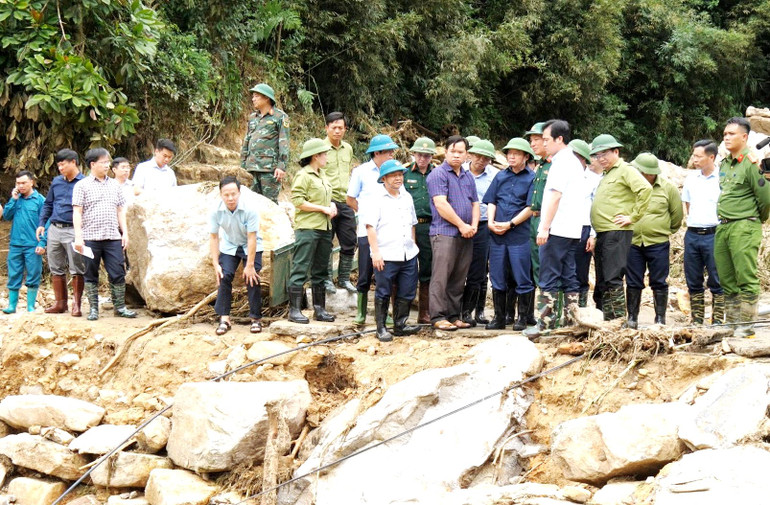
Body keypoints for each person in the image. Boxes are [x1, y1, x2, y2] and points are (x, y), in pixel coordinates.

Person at [714, 117, 770, 337]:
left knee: (745, 276)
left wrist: (754, 219)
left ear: (744, 137)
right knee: (726, 278)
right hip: (724, 226)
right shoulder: (725, 164)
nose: (726, 138)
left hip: (744, 225)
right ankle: (732, 323)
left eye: (732, 134)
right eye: (725, 134)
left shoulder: (751, 163)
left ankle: (746, 326)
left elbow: (765, 198)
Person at [589, 134, 652, 321]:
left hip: (616, 231)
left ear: (616, 152)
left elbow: (645, 189)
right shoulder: (607, 174)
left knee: (612, 277)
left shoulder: (625, 169)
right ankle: (606, 319)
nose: (601, 158)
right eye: (598, 155)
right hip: (603, 232)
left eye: (605, 154)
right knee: (602, 279)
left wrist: (632, 217)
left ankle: (617, 320)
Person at [531, 120, 584, 333]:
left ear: (559, 139)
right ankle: (572, 322)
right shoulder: (574, 161)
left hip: (557, 228)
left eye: (546, 139)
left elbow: (555, 196)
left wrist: (544, 227)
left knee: (548, 276)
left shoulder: (561, 162)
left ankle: (545, 324)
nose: (543, 143)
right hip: (571, 229)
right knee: (569, 275)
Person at [72, 148, 136, 320]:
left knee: (118, 271)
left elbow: (121, 210)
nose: (107, 165)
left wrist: (125, 233)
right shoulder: (82, 185)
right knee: (90, 273)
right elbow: (77, 212)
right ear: (92, 164)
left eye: (108, 162)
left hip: (113, 236)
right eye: (103, 162)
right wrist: (78, 237)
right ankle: (93, 309)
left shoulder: (115, 185)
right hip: (90, 237)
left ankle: (120, 307)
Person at [364, 160, 421, 341]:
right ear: (384, 178)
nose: (398, 178)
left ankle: (400, 324)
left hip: (408, 253)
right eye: (394, 175)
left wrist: (413, 246)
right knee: (383, 291)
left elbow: (412, 224)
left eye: (400, 175)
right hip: (386, 254)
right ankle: (380, 327)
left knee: (408, 290)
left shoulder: (407, 197)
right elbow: (370, 227)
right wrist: (375, 253)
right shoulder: (376, 199)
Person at [624, 153, 683, 328]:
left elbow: (677, 216)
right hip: (633, 242)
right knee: (633, 281)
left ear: (648, 173)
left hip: (658, 243)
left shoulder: (668, 188)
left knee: (659, 281)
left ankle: (660, 319)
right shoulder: (629, 187)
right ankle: (632, 318)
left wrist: (661, 230)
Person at [427, 136, 479, 330]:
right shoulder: (438, 174)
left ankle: (453, 315)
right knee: (441, 276)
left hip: (466, 234)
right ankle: (438, 316)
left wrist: (473, 225)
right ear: (445, 152)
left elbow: (475, 203)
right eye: (453, 151)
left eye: (460, 152)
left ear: (467, 154)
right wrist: (462, 225)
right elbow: (441, 204)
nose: (456, 155)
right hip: (444, 232)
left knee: (459, 277)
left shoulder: (468, 176)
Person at [483, 138, 535, 330]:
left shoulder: (532, 178)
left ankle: (522, 317)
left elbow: (531, 207)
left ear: (526, 156)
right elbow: (492, 201)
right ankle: (499, 317)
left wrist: (510, 224)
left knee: (522, 277)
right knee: (497, 276)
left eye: (516, 153)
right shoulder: (500, 176)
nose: (511, 156)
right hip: (497, 235)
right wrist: (490, 222)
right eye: (509, 153)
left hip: (519, 235)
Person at [347, 134, 399, 325]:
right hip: (366, 230)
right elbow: (350, 198)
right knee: (365, 271)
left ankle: (384, 313)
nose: (392, 154)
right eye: (388, 152)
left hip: (388, 231)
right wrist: (366, 214)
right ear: (377, 153)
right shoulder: (361, 172)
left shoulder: (393, 171)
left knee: (386, 273)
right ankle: (361, 312)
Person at [287, 139, 336, 324]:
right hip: (308, 228)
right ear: (316, 156)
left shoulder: (322, 175)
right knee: (300, 267)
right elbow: (298, 201)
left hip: (324, 227)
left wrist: (331, 205)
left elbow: (326, 197)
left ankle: (319, 309)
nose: (326, 157)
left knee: (321, 269)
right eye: (324, 154)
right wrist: (322, 209)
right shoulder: (303, 175)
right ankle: (294, 310)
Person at [209, 176, 264, 335]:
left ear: (239, 193)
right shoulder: (216, 211)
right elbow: (213, 237)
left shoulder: (250, 209)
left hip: (250, 245)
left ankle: (255, 318)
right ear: (221, 195)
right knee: (224, 275)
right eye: (226, 195)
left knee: (251, 277)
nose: (230, 198)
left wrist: (250, 265)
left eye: (233, 194)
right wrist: (215, 264)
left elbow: (252, 237)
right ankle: (224, 319)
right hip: (230, 245)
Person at [37, 148, 86, 316]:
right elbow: (48, 204)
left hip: (73, 229)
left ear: (73, 162)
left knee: (77, 267)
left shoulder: (84, 183)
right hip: (54, 229)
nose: (60, 168)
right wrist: (42, 223)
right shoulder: (57, 182)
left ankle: (77, 304)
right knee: (55, 266)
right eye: (58, 165)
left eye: (63, 164)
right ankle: (60, 303)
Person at [682, 140, 723, 325]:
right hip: (692, 234)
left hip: (714, 234)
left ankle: (718, 321)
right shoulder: (691, 178)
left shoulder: (722, 178)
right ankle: (697, 320)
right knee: (693, 278)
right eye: (694, 155)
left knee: (717, 278)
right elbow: (688, 205)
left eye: (699, 156)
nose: (694, 159)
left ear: (711, 157)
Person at [461, 139, 499, 326]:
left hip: (483, 224)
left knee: (480, 268)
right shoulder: (460, 171)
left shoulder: (494, 175)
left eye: (486, 158)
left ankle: (476, 310)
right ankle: (459, 309)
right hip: (460, 222)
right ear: (470, 155)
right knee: (460, 267)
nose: (481, 160)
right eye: (478, 156)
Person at [322, 112, 357, 293]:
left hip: (345, 200)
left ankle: (344, 278)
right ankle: (327, 279)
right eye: (333, 127)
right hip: (326, 202)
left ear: (345, 129)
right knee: (326, 241)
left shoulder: (348, 148)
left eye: (340, 128)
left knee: (350, 240)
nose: (337, 131)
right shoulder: (320, 148)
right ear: (326, 128)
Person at [404, 137, 437, 324]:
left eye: (426, 155)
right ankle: (401, 312)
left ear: (431, 156)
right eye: (419, 155)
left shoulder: (437, 173)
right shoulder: (404, 173)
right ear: (414, 154)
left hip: (429, 225)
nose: (422, 158)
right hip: (408, 225)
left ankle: (424, 313)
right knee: (405, 267)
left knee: (427, 268)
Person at [3, 171, 46, 313]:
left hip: (33, 244)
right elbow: (7, 216)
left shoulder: (40, 200)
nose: (20, 186)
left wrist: (42, 243)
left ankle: (30, 306)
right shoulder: (16, 199)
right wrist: (13, 199)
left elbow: (46, 224)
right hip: (15, 244)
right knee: (14, 273)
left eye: (23, 183)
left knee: (33, 274)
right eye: (18, 183)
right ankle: (12, 306)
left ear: (31, 182)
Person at [241, 83, 289, 204]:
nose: (253, 99)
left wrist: (281, 166)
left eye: (256, 96)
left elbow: (284, 142)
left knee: (269, 204)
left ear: (266, 97)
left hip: (269, 169)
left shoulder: (280, 117)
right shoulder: (253, 117)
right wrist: (243, 164)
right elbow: (247, 140)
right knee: (250, 203)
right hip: (251, 168)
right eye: (253, 96)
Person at [523, 121, 550, 325]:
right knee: (537, 268)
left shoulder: (555, 165)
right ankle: (543, 318)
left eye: (536, 139)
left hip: (547, 220)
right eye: (531, 140)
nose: (532, 144)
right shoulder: (540, 165)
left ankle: (549, 319)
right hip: (535, 219)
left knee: (547, 269)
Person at [569, 139, 601, 307]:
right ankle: (564, 309)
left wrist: (593, 234)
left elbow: (595, 209)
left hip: (583, 228)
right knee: (563, 271)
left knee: (580, 271)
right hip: (562, 228)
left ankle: (580, 308)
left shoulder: (593, 179)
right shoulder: (562, 176)